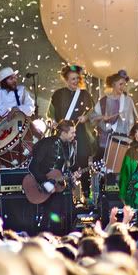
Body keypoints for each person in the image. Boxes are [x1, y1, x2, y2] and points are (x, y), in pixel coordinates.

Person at [47, 65, 96, 198]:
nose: (75, 81)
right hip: (63, 134)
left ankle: (87, 194)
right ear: (66, 79)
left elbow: (93, 112)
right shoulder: (57, 94)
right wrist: (54, 122)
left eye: (77, 78)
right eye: (72, 79)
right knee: (62, 163)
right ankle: (64, 195)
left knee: (83, 160)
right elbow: (50, 114)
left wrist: (86, 117)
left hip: (79, 133)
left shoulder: (84, 94)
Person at [28, 120, 77, 234]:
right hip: (44, 186)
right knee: (52, 216)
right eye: (72, 132)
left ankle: (66, 238)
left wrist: (74, 175)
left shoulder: (71, 146)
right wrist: (44, 182)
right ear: (63, 132)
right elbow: (33, 166)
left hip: (60, 186)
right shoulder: (47, 143)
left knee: (71, 213)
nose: (74, 135)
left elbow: (69, 168)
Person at [90, 70, 138, 159]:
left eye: (124, 84)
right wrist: (102, 117)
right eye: (120, 84)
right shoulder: (103, 101)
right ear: (113, 84)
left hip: (123, 141)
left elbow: (134, 120)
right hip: (105, 141)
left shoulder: (128, 101)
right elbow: (92, 117)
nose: (123, 87)